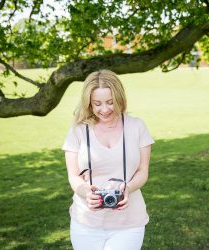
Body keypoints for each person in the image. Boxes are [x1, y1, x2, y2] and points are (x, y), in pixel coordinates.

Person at [62, 69, 154, 250]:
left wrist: (129, 188)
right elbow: (73, 176)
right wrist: (84, 192)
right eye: (97, 104)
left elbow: (143, 171)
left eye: (110, 102)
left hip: (129, 222)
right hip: (86, 222)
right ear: (88, 103)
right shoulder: (78, 130)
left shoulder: (137, 126)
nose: (104, 110)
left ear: (120, 99)